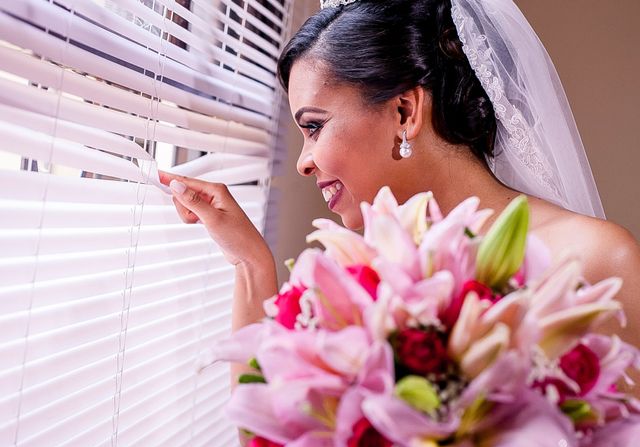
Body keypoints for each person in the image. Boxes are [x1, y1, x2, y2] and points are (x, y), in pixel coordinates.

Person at [160, 0, 640, 389]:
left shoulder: (595, 260)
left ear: (405, 111)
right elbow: (267, 438)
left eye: (314, 127)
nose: (304, 161)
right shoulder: (356, 278)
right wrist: (250, 264)